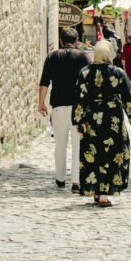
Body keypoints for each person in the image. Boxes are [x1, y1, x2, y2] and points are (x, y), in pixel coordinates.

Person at [72, 40, 131, 206]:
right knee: (111, 153)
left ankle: (97, 191)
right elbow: (129, 97)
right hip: (112, 118)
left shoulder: (84, 73)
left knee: (93, 153)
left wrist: (79, 121)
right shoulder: (117, 73)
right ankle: (105, 195)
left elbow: (79, 98)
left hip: (92, 119)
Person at [38, 27, 89, 192]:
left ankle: (60, 178)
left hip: (58, 106)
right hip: (78, 108)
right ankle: (76, 181)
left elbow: (44, 81)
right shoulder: (82, 56)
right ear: (76, 42)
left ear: (61, 41)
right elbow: (89, 82)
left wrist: (41, 102)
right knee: (77, 144)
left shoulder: (52, 57)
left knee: (60, 144)